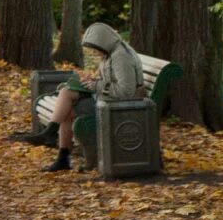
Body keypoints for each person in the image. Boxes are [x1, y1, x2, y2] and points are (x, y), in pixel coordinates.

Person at [35, 22, 143, 171]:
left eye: (96, 49)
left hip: (118, 107)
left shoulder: (121, 57)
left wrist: (96, 85)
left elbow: (126, 91)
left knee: (67, 106)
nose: (96, 52)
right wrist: (93, 81)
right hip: (107, 100)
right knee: (66, 93)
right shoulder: (113, 52)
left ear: (103, 43)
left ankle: (56, 145)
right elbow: (111, 80)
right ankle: (59, 151)